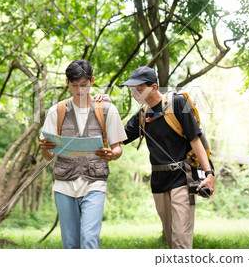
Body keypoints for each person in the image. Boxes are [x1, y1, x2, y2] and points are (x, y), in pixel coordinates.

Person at [100, 66, 214, 249]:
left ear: (153, 87)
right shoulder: (143, 115)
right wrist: (106, 109)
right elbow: (117, 137)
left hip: (182, 178)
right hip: (159, 182)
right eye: (132, 90)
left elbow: (195, 139)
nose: (135, 94)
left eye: (139, 89)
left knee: (181, 241)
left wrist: (209, 174)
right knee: (170, 239)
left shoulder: (178, 103)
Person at [39, 59, 127, 249]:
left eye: (84, 85)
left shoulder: (107, 109)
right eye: (74, 85)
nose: (80, 91)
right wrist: (45, 148)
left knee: (89, 238)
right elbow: (48, 157)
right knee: (71, 244)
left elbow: (118, 147)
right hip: (64, 185)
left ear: (92, 81)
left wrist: (111, 155)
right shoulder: (57, 111)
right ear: (67, 82)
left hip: (95, 182)